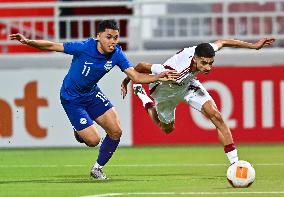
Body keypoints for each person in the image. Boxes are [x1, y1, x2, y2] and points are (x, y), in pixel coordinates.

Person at [10, 20, 177, 180]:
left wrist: (158, 77)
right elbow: (53, 46)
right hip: (71, 98)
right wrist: (27, 41)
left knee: (116, 131)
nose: (113, 41)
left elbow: (135, 76)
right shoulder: (84, 47)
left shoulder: (117, 53)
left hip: (91, 94)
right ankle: (80, 131)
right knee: (93, 140)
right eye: (109, 37)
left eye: (116, 37)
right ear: (99, 36)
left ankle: (97, 168)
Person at [121, 38, 275, 165]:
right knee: (166, 129)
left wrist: (254, 46)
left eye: (210, 63)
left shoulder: (204, 52)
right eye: (204, 63)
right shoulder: (174, 70)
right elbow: (141, 66)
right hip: (164, 92)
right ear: (195, 58)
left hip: (188, 84)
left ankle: (235, 164)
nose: (208, 67)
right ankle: (143, 98)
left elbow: (224, 42)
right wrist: (126, 81)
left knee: (216, 116)